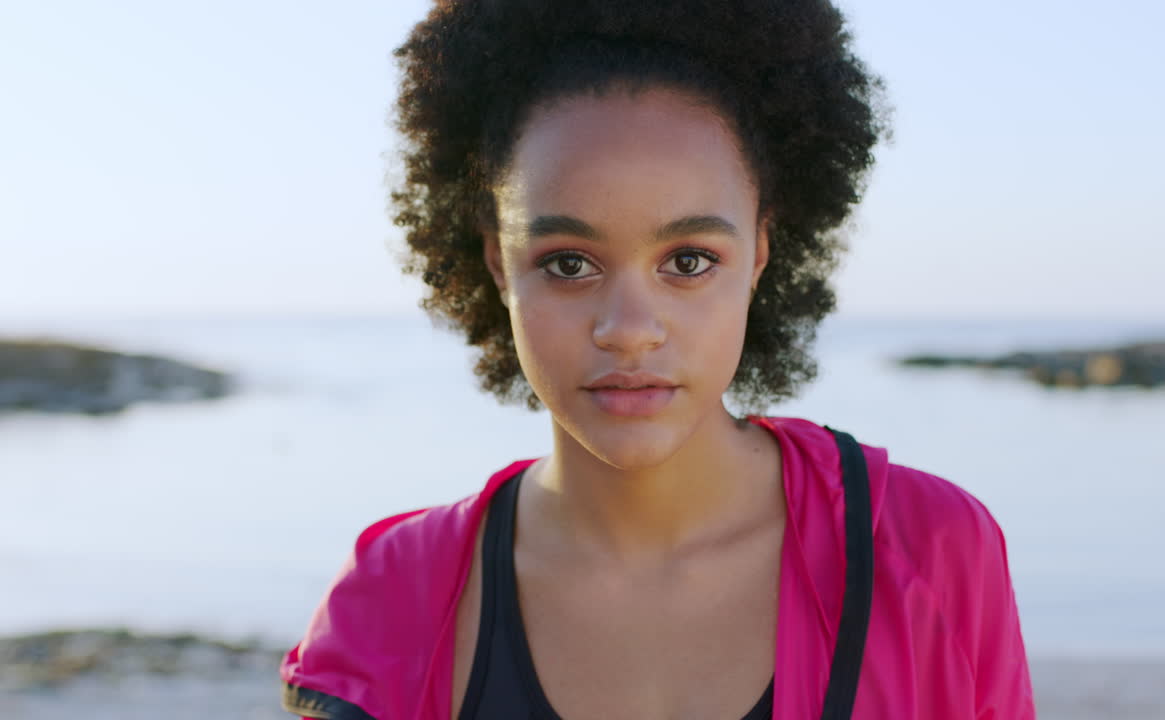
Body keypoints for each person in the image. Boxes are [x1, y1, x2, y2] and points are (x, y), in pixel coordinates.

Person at [279, 0, 1036, 718]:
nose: (629, 330)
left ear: (760, 254)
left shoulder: (929, 552)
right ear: (499, 265)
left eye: (689, 261)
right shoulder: (389, 605)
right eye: (569, 263)